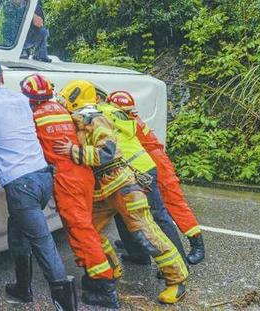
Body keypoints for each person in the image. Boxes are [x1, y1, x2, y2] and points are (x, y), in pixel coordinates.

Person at [55, 80, 189, 306]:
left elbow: (108, 152)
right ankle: (111, 268)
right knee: (89, 232)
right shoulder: (80, 120)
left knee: (145, 232)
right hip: (104, 191)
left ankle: (177, 279)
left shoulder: (95, 119)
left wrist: (75, 152)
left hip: (122, 185)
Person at [0, 59, 76, 310]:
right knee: (17, 231)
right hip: (42, 177)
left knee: (42, 241)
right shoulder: (21, 101)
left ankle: (64, 303)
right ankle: (22, 288)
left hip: (20, 185)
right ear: (2, 78)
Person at [19, 74, 114, 308]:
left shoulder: (33, 116)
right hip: (83, 172)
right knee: (86, 226)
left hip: (66, 178)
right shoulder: (62, 109)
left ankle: (106, 286)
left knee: (81, 230)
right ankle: (95, 276)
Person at [107, 90, 205, 264]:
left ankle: (196, 242)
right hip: (148, 159)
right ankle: (136, 246)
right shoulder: (129, 117)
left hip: (155, 160)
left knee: (172, 203)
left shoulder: (122, 119)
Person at [96, 100, 189, 268]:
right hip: (141, 166)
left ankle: (179, 262)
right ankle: (138, 254)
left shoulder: (94, 118)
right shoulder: (112, 111)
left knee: (157, 216)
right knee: (122, 212)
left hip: (135, 170)